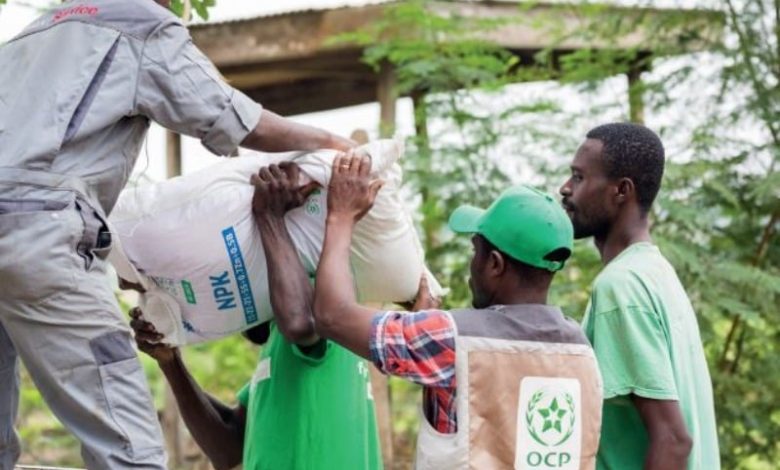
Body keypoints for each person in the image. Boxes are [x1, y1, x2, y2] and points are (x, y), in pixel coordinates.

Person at [0, 0, 353, 467]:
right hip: (38, 234)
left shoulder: (31, 34)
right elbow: (237, 118)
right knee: (128, 449)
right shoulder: (139, 20)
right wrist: (334, 146)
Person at [311, 153, 603, 469]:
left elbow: (332, 315)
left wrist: (340, 216)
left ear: (495, 264)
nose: (470, 265)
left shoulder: (451, 338)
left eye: (475, 251)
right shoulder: (582, 351)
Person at [130, 162, 383, 470]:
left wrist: (270, 218)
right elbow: (228, 449)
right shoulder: (279, 346)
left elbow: (301, 324)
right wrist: (170, 362)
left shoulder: (324, 304)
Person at [559, 122, 720, 470]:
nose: (565, 188)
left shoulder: (622, 286)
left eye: (579, 177)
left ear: (621, 191)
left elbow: (674, 441)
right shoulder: (657, 273)